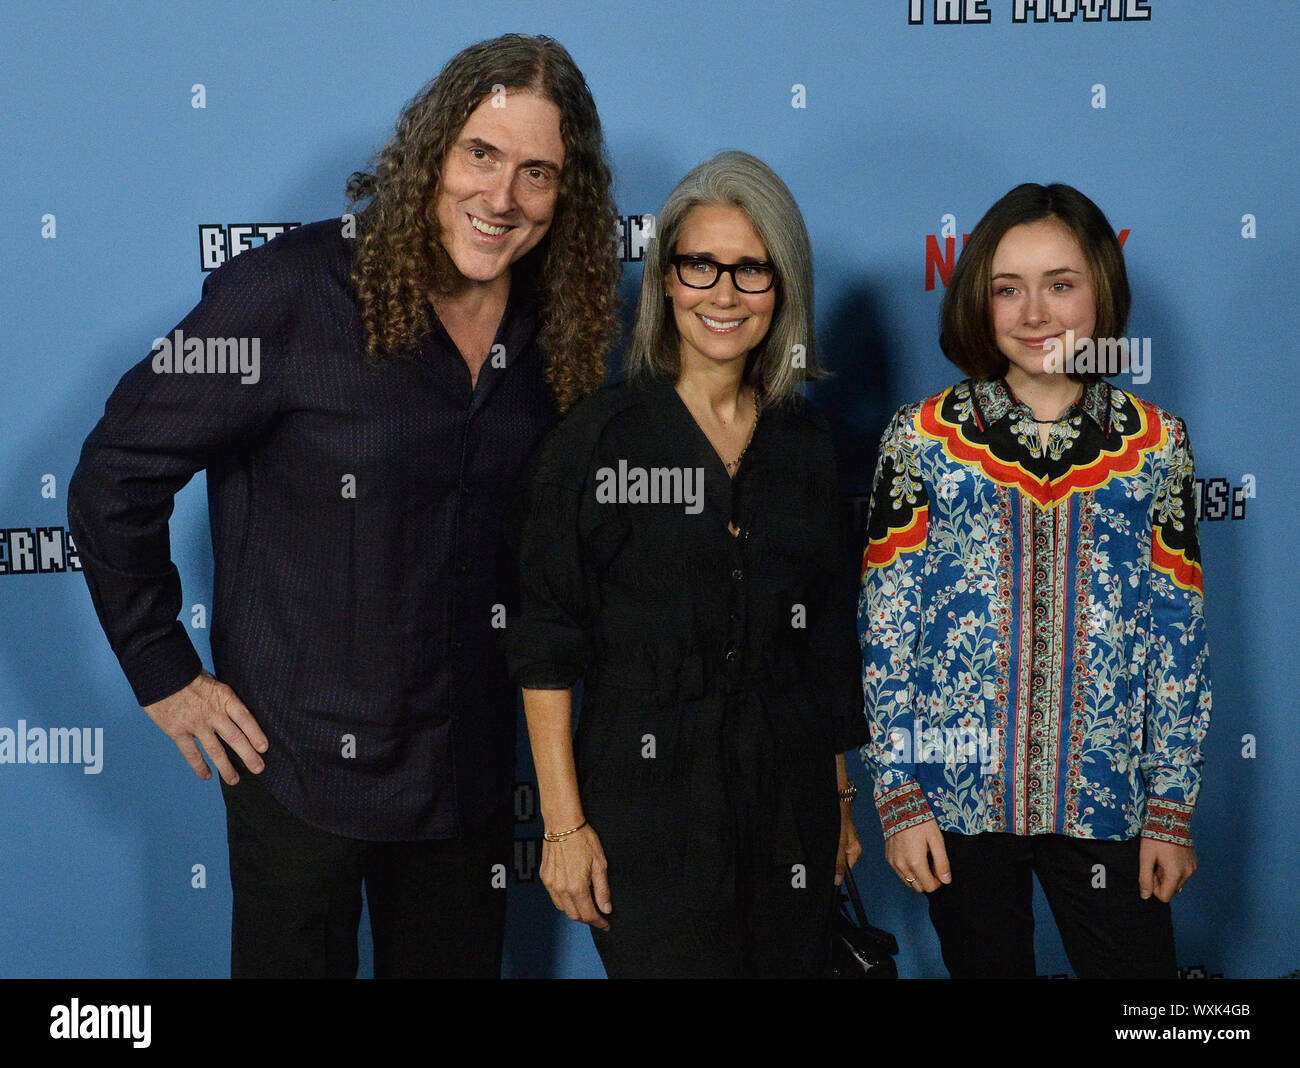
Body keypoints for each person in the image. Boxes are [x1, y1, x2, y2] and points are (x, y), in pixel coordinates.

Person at [66, 33, 620, 978]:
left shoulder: (558, 327)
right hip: (297, 769)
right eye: (481, 156)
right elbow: (115, 472)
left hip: (465, 780)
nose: (501, 198)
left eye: (538, 172)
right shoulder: (286, 293)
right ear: (432, 152)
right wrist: (163, 670)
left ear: (566, 195)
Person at [504, 150, 868, 978]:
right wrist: (562, 826)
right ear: (667, 280)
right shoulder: (598, 440)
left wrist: (839, 799)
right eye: (701, 265)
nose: (725, 293)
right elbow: (545, 642)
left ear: (784, 287)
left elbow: (822, 641)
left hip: (790, 805)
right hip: (648, 814)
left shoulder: (804, 443)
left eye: (751, 270)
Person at [858, 183, 1210, 978]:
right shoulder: (921, 439)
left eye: (1060, 284)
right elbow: (887, 632)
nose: (1034, 313)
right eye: (1007, 289)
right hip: (957, 801)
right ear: (978, 302)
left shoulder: (1156, 447)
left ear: (1101, 292)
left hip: (1110, 800)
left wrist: (1171, 810)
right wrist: (899, 795)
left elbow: (1177, 638)